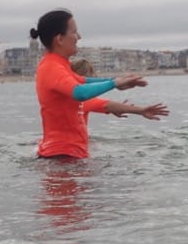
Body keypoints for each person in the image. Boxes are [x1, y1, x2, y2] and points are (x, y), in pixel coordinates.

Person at [30, 9, 169, 159]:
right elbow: (80, 92)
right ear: (60, 39)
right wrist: (114, 83)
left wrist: (117, 81)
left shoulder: (58, 64)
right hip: (62, 156)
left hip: (65, 154)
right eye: (74, 32)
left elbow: (83, 81)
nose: (79, 37)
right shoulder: (52, 67)